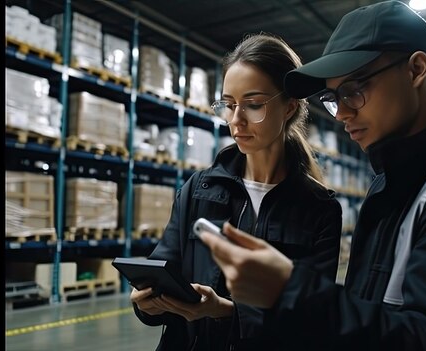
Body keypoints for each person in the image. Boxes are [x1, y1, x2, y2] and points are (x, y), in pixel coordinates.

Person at [200, 1, 426, 350]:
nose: (341, 113)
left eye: (354, 90)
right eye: (332, 97)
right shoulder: (391, 184)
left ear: (416, 69)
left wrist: (290, 293)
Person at [130, 33, 343, 351]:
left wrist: (227, 312)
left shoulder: (319, 209)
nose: (235, 121)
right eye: (228, 105)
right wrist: (146, 304)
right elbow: (164, 269)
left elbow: (309, 318)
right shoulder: (198, 190)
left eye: (253, 105)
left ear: (289, 108)